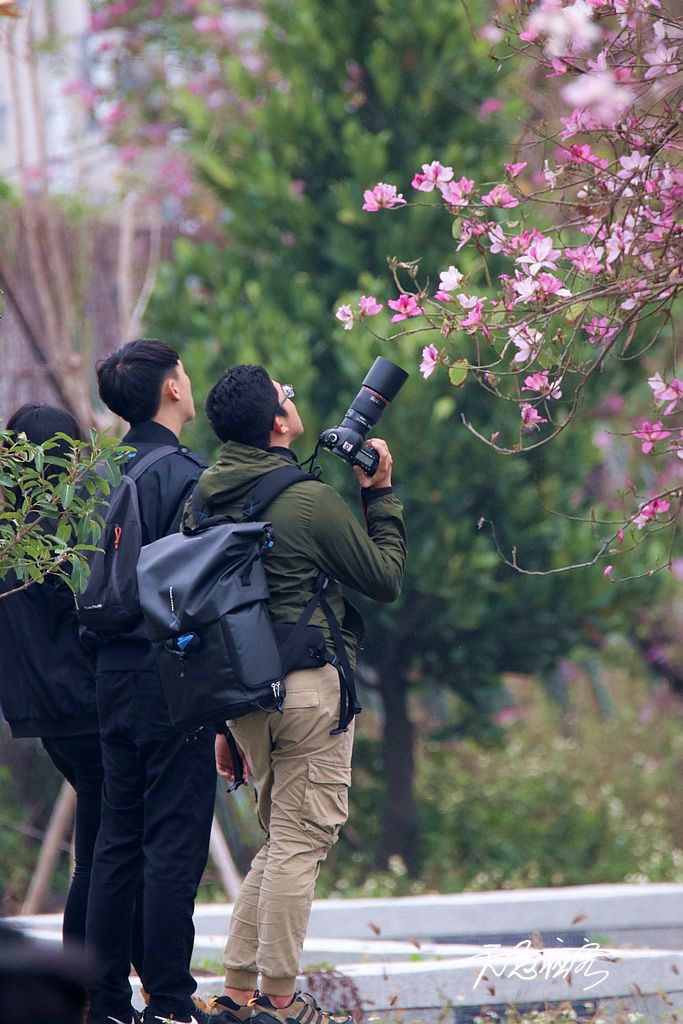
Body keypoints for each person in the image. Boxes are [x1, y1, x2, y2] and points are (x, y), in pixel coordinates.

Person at [188, 365, 407, 1024]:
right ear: (277, 424)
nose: (291, 396)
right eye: (284, 395)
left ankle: (238, 990)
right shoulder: (306, 500)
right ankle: (282, 1003)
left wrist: (224, 728)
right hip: (309, 689)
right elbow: (383, 577)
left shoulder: (201, 499)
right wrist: (380, 494)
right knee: (301, 842)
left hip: (244, 697)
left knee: (280, 841)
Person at [84, 340, 216, 1024]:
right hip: (171, 675)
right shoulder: (187, 477)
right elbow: (202, 591)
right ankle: (168, 999)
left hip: (108, 673)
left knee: (115, 840)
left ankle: (105, 1001)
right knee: (171, 843)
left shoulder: (97, 473)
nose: (189, 384)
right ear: (170, 389)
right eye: (184, 374)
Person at [0, 404, 105, 946]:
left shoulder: (12, 535)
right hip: (83, 704)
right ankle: (89, 984)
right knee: (100, 855)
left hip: (39, 711)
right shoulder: (64, 532)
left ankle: (87, 984)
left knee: (93, 850)